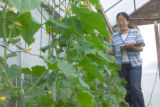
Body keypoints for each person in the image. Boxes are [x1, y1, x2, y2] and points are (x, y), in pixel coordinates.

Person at [109, 12, 145, 107]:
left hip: (135, 65)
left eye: (123, 20)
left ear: (127, 21)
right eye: (118, 21)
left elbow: (141, 48)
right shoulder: (114, 36)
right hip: (121, 66)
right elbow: (114, 51)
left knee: (135, 89)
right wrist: (105, 51)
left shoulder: (135, 32)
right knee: (126, 90)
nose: (121, 23)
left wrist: (132, 47)